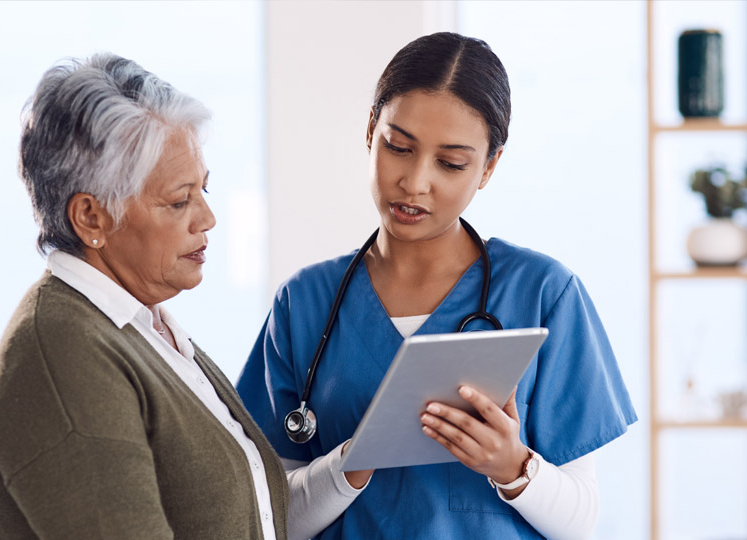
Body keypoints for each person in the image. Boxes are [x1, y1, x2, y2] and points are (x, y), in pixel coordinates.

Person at [237, 32, 637, 540]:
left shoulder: (543, 294)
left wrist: (512, 466)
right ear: (370, 130)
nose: (415, 182)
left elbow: (582, 523)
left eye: (450, 163)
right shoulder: (304, 303)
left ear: (488, 167)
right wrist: (349, 465)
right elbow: (269, 518)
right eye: (398, 147)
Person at [0, 53, 288, 540]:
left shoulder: (143, 328)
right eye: (179, 200)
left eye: (204, 191)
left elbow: (251, 516)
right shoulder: (64, 353)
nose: (207, 218)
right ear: (91, 218)